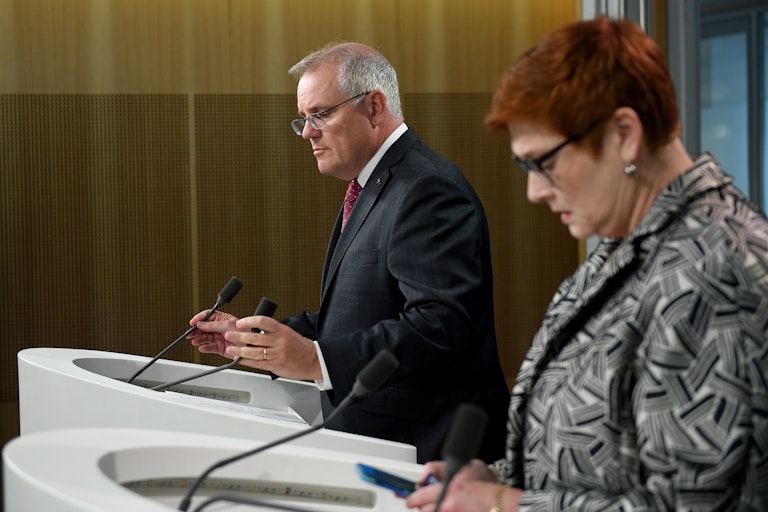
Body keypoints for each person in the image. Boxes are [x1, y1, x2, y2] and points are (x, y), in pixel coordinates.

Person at [406, 15, 768, 511]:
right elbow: (598, 456)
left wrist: (504, 506)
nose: (534, 191)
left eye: (544, 163)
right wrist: (495, 479)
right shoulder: (634, 243)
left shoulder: (716, 269)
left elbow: (694, 505)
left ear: (624, 134)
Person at [187, 41, 510, 464]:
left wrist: (313, 358)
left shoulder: (427, 189)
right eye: (302, 120)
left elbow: (440, 326)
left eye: (320, 114)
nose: (308, 133)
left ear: (374, 107)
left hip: (431, 454)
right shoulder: (371, 185)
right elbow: (362, 315)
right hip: (386, 445)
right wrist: (253, 339)